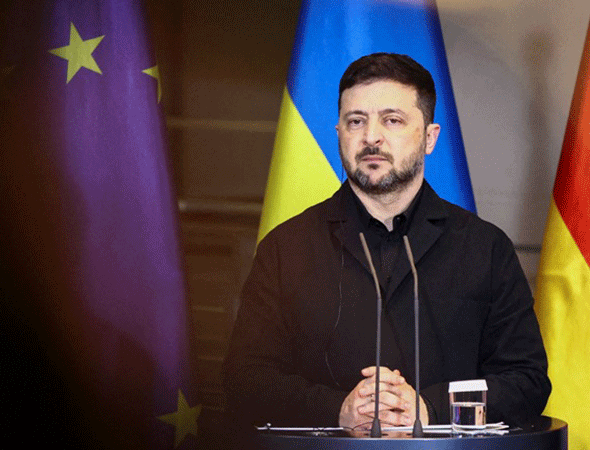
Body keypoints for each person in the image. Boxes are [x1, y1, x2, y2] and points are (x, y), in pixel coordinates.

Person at [222, 53, 550, 432]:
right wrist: (337, 408)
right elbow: (244, 379)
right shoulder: (286, 247)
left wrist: (429, 408)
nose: (371, 136)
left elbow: (527, 381)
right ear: (339, 134)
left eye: (391, 120)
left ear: (430, 138)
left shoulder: (485, 248)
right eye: (355, 121)